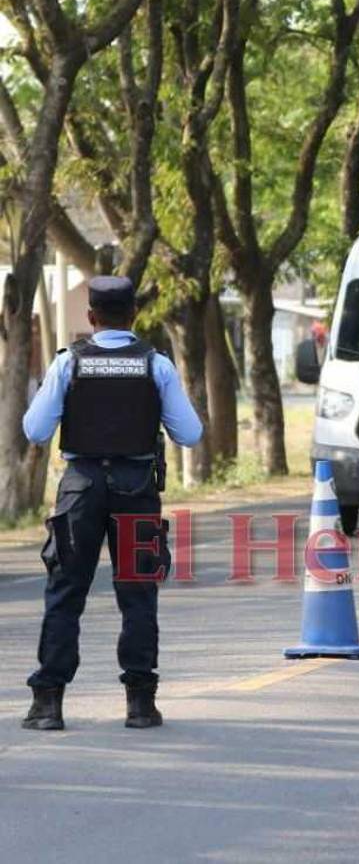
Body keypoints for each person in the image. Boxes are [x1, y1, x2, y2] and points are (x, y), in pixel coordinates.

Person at [21, 276, 203, 731]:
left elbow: (36, 430)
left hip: (80, 488)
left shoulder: (69, 363)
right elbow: (190, 434)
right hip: (137, 489)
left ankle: (48, 705)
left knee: (65, 594)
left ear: (91, 317)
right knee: (138, 595)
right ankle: (140, 704)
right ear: (135, 315)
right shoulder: (155, 365)